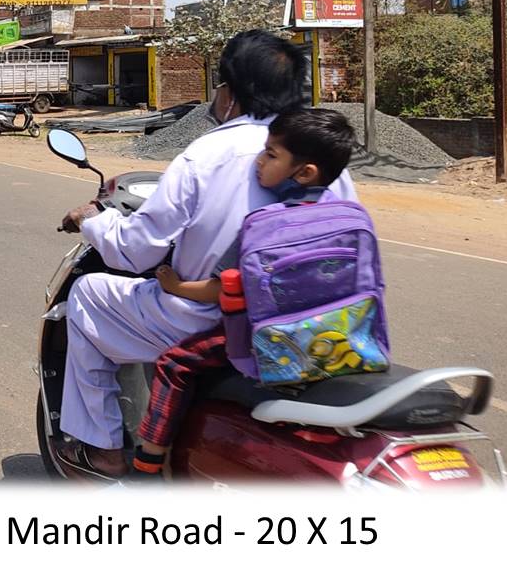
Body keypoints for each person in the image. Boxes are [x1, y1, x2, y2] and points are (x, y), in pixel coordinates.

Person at [52, 30, 358, 480]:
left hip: (209, 319)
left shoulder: (208, 154)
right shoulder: (323, 161)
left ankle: (103, 450)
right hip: (316, 322)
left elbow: (133, 251)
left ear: (229, 92)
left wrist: (91, 220)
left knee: (88, 294)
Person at [131, 108, 359, 481]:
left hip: (273, 340)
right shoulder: (348, 218)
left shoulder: (265, 223)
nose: (258, 161)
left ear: (304, 173)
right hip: (340, 336)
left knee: (174, 364)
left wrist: (174, 286)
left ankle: (148, 463)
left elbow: (221, 288)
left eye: (271, 154)